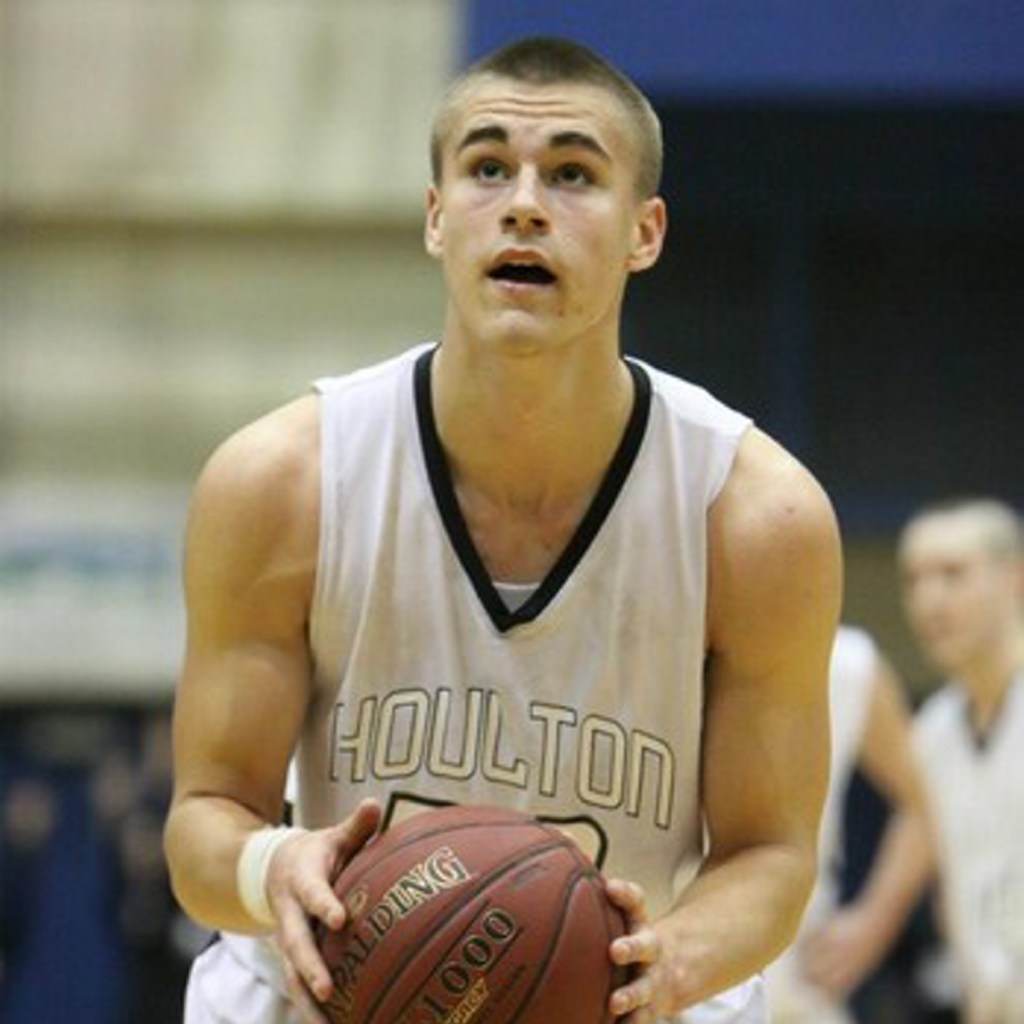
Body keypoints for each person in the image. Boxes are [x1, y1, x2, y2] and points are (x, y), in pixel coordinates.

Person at [163, 36, 842, 1024]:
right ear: (437, 219)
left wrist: (669, 959)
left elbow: (769, 854)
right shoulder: (284, 482)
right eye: (487, 168)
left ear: (644, 233)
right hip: (321, 1001)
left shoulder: (754, 518)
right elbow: (200, 823)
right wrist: (273, 859)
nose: (524, 203)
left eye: (572, 173)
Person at [764, 625, 933, 1023]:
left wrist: (872, 924)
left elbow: (924, 807)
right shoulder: (660, 643)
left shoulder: (846, 663)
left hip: (794, 991)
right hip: (667, 988)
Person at [898, 498, 1024, 1024]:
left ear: (1014, 578)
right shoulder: (933, 731)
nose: (931, 599)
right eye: (915, 580)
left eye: (953, 574)